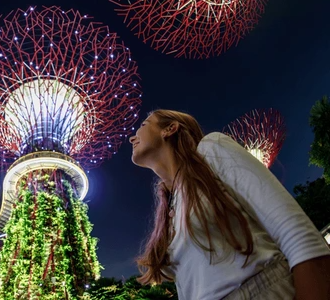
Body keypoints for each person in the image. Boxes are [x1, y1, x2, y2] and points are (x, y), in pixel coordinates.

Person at [129, 110, 330, 300]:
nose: (132, 137)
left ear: (170, 129)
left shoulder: (210, 150)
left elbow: (295, 232)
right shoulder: (170, 206)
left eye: (144, 124)